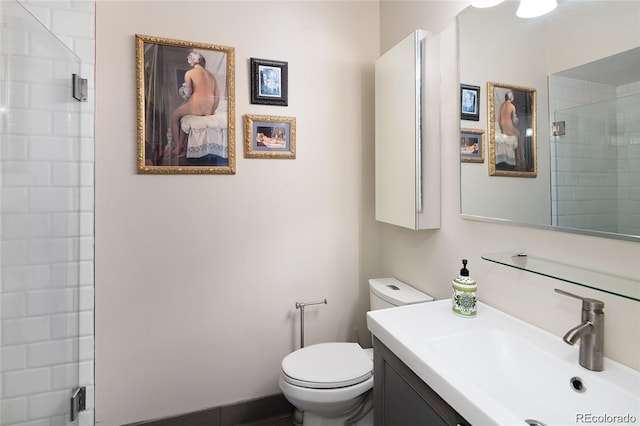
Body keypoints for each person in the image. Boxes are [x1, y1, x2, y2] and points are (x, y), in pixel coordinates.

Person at [170, 52, 220, 157]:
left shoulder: (190, 73)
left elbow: (187, 93)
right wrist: (212, 111)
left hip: (195, 107)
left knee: (175, 115)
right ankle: (182, 144)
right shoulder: (211, 76)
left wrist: (184, 99)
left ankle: (178, 146)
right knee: (185, 115)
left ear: (193, 62)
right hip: (208, 109)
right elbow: (217, 96)